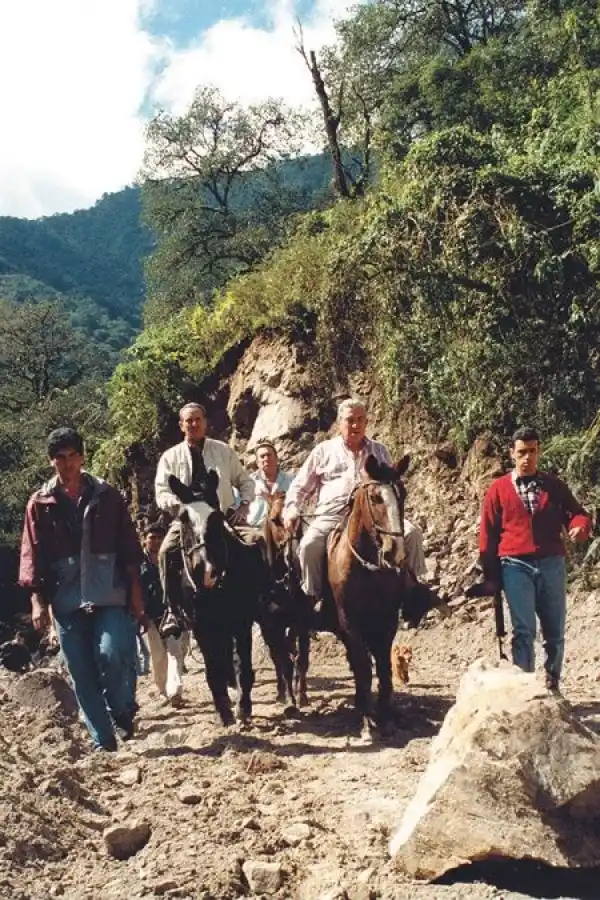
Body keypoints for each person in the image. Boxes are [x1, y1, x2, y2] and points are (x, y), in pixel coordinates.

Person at [19, 427, 145, 752]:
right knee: (81, 671)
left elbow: (129, 546)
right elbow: (32, 554)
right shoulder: (40, 504)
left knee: (114, 652)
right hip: (66, 597)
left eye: (73, 455)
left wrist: (135, 594)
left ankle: (121, 708)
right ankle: (103, 742)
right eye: (60, 458)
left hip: (109, 591)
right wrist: (37, 602)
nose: (68, 463)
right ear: (51, 462)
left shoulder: (107, 494)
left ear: (82, 457)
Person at [478, 426, 591, 691]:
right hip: (515, 565)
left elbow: (577, 513)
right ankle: (525, 690)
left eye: (532, 451)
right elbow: (488, 534)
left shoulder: (554, 486)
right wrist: (491, 575)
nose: (527, 457)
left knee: (554, 632)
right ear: (511, 454)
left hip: (551, 563)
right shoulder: (498, 490)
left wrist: (579, 527)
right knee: (523, 630)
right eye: (521, 452)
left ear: (539, 451)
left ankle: (552, 685)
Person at [282, 398, 426, 608]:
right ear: (340, 423)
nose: (356, 425)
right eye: (350, 420)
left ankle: (413, 590)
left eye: (360, 420)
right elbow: (300, 485)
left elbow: (390, 486)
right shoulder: (323, 451)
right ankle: (315, 597)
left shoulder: (379, 451)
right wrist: (292, 508)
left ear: (367, 422)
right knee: (309, 546)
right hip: (333, 514)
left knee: (412, 534)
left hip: (374, 516)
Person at [155, 402, 255, 605]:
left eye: (197, 419)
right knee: (165, 552)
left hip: (222, 517)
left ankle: (264, 597)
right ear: (181, 425)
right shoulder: (170, 457)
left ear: (205, 422)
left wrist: (244, 505)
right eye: (188, 420)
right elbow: (161, 491)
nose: (193, 424)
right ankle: (171, 610)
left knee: (256, 541)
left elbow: (245, 482)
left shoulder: (223, 451)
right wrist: (176, 504)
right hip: (187, 522)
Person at [139, 523, 187, 707]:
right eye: (152, 537)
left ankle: (175, 690)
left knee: (175, 651)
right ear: (145, 539)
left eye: (160, 537)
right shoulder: (137, 562)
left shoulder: (172, 558)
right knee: (158, 656)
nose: (157, 541)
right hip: (149, 615)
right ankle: (161, 689)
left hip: (171, 611)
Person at [246, 441, 294, 528]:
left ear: (276, 458)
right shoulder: (247, 482)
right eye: (262, 456)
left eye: (269, 455)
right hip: (255, 529)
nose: (266, 458)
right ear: (257, 462)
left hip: (284, 529)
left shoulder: (291, 481)